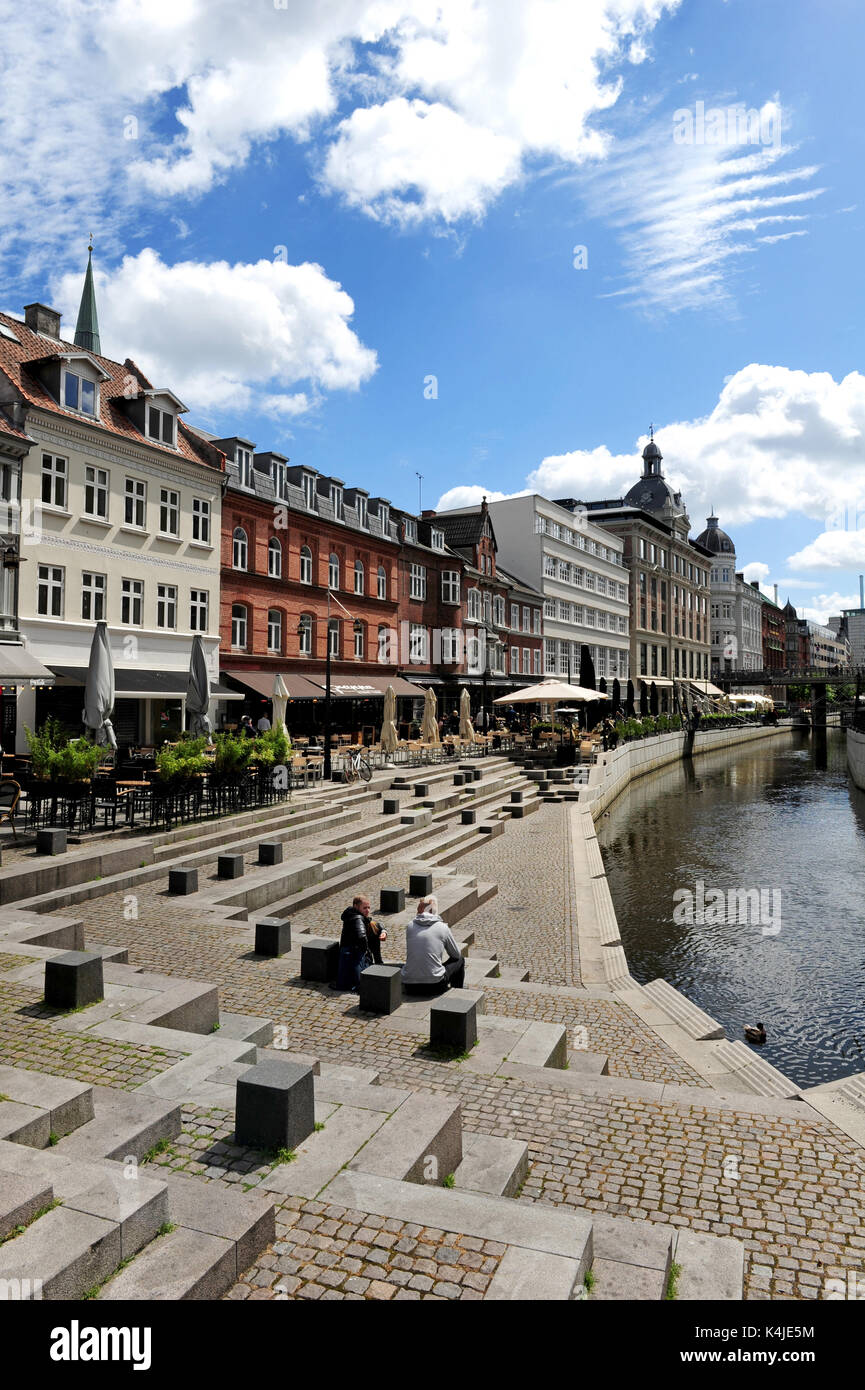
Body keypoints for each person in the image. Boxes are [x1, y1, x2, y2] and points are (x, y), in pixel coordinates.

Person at [402, 895, 465, 995]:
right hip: (435, 985)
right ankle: (457, 994)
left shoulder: (410, 926)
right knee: (460, 960)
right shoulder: (442, 927)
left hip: (410, 986)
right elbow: (456, 955)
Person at [332, 894, 375, 992]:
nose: (367, 910)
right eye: (364, 908)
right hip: (354, 953)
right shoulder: (358, 919)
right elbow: (362, 937)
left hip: (346, 951)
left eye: (369, 907)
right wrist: (366, 951)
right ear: (356, 906)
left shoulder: (350, 914)